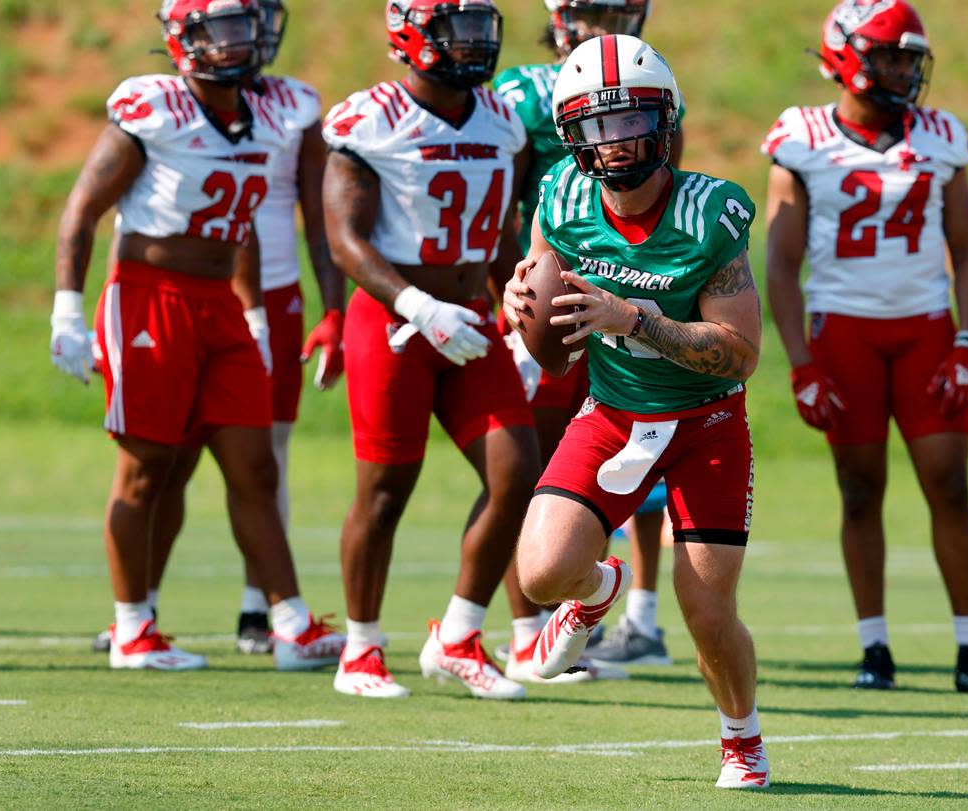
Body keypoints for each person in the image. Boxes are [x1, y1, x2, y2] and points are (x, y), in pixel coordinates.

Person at [503, 35, 770, 789]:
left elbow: (741, 352)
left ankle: (741, 737)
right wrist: (517, 300)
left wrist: (637, 320)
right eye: (594, 128)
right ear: (571, 137)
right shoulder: (558, 196)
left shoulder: (709, 211)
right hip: (613, 412)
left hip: (707, 426)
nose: (613, 145)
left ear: (665, 123)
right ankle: (600, 592)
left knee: (706, 609)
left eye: (629, 124)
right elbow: (545, 316)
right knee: (542, 570)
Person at [50, 0, 343, 671]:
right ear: (184, 42)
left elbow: (235, 223)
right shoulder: (154, 110)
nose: (246, 41)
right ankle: (132, 628)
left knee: (257, 466)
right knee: (146, 470)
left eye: (248, 27)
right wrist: (68, 309)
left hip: (223, 306)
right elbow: (81, 212)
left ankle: (291, 624)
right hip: (150, 299)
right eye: (227, 31)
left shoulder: (275, 111)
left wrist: (255, 315)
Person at [762, 0, 968, 695]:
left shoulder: (940, 135)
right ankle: (874, 648)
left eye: (911, 57)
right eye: (891, 55)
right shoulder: (802, 135)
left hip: (924, 328)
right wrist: (802, 364)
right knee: (858, 492)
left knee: (950, 483)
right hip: (842, 327)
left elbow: (967, 249)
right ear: (848, 55)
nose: (906, 69)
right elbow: (781, 262)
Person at [321, 0, 541, 699]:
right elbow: (345, 240)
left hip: (473, 319)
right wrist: (416, 304)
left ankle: (457, 635)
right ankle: (360, 649)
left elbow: (505, 237)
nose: (474, 43)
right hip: (395, 322)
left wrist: (520, 319)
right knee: (385, 493)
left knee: (518, 474)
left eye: (482, 27)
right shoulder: (370, 118)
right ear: (410, 34)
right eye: (457, 29)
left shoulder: (503, 119)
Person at [492, 0, 678, 676]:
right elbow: (502, 192)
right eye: (590, 10)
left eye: (615, 10)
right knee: (538, 466)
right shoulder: (522, 92)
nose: (603, 24)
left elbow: (664, 196)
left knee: (646, 459)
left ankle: (643, 616)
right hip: (549, 295)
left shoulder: (649, 80)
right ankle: (528, 626)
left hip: (625, 293)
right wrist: (514, 293)